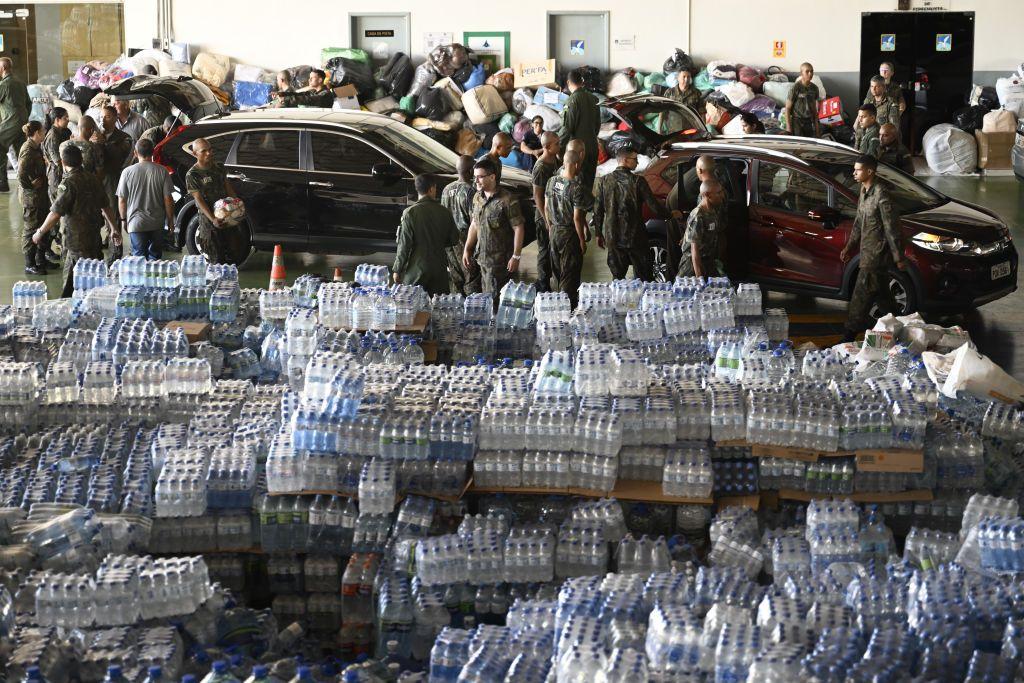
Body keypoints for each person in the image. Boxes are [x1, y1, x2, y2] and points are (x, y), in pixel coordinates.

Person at [31, 144, 117, 297]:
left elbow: (56, 212)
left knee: (70, 287)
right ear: (81, 160)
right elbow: (106, 206)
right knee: (93, 281)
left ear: (63, 163)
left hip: (76, 243)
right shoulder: (93, 179)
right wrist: (114, 229)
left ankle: (71, 314)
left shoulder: (68, 183)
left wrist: (40, 232)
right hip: (94, 240)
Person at [840, 155, 906, 341]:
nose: (854, 172)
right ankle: (904, 329)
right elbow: (859, 221)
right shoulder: (864, 190)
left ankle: (848, 335)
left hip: (876, 256)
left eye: (858, 169)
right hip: (867, 253)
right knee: (884, 299)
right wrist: (849, 247)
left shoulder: (882, 194)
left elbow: (891, 228)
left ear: (870, 171)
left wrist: (898, 256)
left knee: (860, 299)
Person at [593, 146, 668, 281]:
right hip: (636, 237)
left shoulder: (603, 181)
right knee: (643, 278)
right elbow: (655, 207)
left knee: (617, 278)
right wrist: (672, 215)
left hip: (613, 237)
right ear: (625, 160)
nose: (637, 163)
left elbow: (597, 210)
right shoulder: (638, 181)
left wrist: (598, 233)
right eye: (635, 159)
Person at [462, 157, 525, 299]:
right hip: (481, 259)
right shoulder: (477, 197)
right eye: (475, 177)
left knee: (496, 301)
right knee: (484, 300)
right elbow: (474, 224)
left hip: (499, 262)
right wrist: (467, 248)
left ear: (492, 177)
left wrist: (516, 256)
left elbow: (518, 228)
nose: (476, 181)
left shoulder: (507, 199)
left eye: (480, 177)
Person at [392, 174, 460, 296]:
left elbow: (404, 246)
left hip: (417, 269)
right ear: (432, 189)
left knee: (413, 306)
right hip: (439, 269)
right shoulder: (445, 212)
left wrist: (397, 269)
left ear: (417, 189)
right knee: (439, 307)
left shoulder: (410, 213)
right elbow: (454, 239)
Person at [544, 149, 590, 308]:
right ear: (577, 165)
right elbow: (577, 218)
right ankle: (567, 310)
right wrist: (582, 240)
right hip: (569, 235)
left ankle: (558, 306)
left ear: (564, 163)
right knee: (569, 276)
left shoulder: (551, 181)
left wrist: (550, 226)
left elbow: (545, 207)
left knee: (557, 274)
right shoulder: (576, 188)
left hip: (554, 232)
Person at [667, 154, 727, 277]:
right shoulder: (715, 191)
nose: (721, 195)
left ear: (699, 170)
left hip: (706, 253)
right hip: (698, 256)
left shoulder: (712, 192)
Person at [116, 138, 174, 260]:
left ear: (135, 153)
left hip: (136, 223)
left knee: (138, 258)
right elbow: (168, 199)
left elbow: (122, 200)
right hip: (157, 223)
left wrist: (123, 220)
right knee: (156, 258)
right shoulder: (162, 171)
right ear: (153, 152)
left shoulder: (127, 172)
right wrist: (170, 220)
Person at [185, 137, 241, 264]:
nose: (209, 153)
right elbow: (198, 199)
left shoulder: (219, 167)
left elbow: (228, 188)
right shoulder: (192, 174)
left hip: (228, 217)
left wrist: (237, 204)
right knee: (216, 260)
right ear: (195, 154)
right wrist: (213, 219)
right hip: (209, 222)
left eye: (210, 149)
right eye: (204, 151)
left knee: (234, 256)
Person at [440, 155, 480, 294]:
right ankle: (470, 308)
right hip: (465, 238)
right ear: (470, 171)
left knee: (455, 276)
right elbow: (474, 220)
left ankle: (456, 305)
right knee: (471, 276)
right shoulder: (471, 191)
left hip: (448, 238)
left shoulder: (446, 189)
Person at [558, 68, 600, 193]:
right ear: (581, 82)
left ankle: (576, 212)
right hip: (592, 147)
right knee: (587, 186)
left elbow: (567, 128)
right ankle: (585, 209)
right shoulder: (594, 99)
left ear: (568, 83)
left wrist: (559, 148)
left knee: (576, 189)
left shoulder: (572, 100)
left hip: (577, 151)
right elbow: (597, 125)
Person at [99, 105, 135, 241]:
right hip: (97, 178)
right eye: (101, 117)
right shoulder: (96, 134)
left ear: (115, 118)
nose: (103, 120)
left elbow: (120, 155)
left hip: (112, 178)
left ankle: (116, 245)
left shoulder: (124, 137)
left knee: (113, 211)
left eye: (107, 117)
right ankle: (102, 239)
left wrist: (104, 144)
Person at [18, 121, 49, 274]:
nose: (44, 133)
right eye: (43, 131)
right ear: (37, 133)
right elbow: (21, 174)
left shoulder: (36, 147)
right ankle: (30, 263)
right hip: (32, 198)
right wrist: (30, 186)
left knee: (42, 226)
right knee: (31, 229)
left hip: (40, 196)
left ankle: (40, 259)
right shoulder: (28, 150)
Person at [678, 179, 727, 278]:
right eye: (719, 193)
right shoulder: (698, 216)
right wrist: (699, 278)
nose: (722, 195)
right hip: (692, 266)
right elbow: (694, 250)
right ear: (708, 195)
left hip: (707, 261)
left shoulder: (713, 209)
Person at [531, 132, 561, 292]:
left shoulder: (555, 160)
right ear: (547, 147)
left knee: (553, 249)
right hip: (544, 215)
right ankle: (542, 282)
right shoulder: (541, 167)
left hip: (555, 213)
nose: (559, 145)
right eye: (556, 143)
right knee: (544, 250)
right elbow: (538, 196)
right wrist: (546, 220)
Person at [0, 57, 31, 192]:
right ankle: (28, 181)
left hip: (10, 122)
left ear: (3, 68)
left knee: (0, 147)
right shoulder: (20, 83)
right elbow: (29, 104)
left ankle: (2, 183)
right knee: (21, 153)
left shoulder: (4, 85)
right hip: (22, 121)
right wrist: (23, 118)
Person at [785, 62, 820, 138]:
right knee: (799, 145)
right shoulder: (795, 88)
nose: (810, 73)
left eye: (812, 71)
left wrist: (817, 130)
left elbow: (814, 109)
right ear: (801, 73)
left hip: (809, 121)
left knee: (809, 143)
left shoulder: (814, 88)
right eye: (807, 71)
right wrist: (788, 128)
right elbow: (787, 108)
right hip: (797, 121)